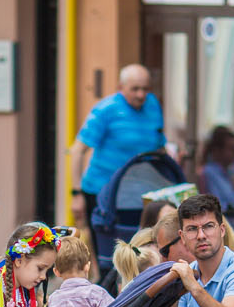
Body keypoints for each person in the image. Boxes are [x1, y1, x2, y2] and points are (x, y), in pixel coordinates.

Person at [68, 65, 164, 224]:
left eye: (145, 89)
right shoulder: (106, 109)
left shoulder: (153, 104)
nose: (141, 95)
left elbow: (159, 145)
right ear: (121, 87)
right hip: (103, 192)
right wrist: (76, 195)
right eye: (135, 89)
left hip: (138, 193)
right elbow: (77, 151)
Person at [199, 126, 234, 214]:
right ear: (217, 150)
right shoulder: (209, 173)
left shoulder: (231, 172)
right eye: (231, 149)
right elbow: (221, 206)